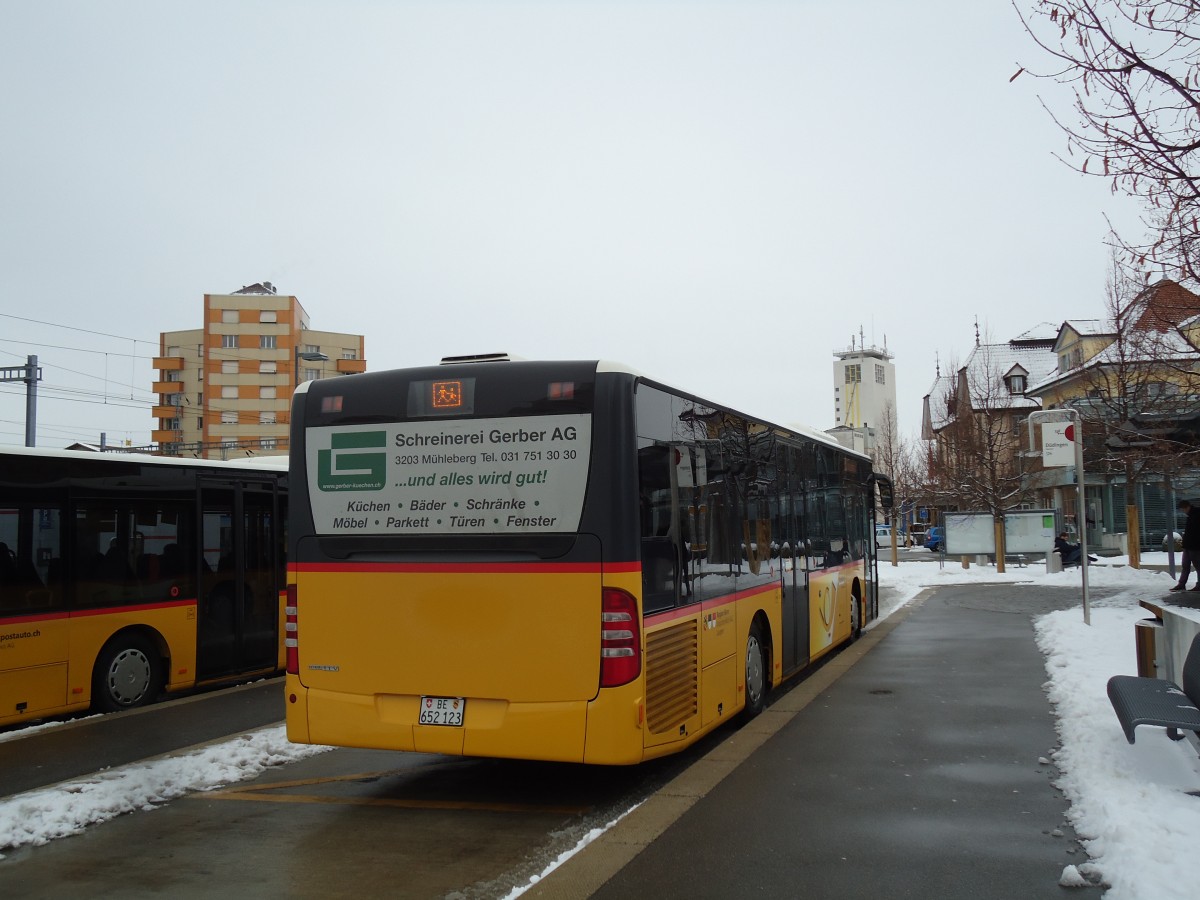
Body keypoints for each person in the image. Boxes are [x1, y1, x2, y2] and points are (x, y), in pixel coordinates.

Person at [1170, 499, 1200, 591]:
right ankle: (1181, 584)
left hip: (1195, 546)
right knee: (1185, 565)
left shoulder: (1196, 515)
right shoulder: (1191, 515)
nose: (1183, 512)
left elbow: (1194, 532)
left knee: (1198, 566)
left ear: (1187, 507)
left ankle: (1197, 585)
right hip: (1188, 545)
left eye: (1183, 509)